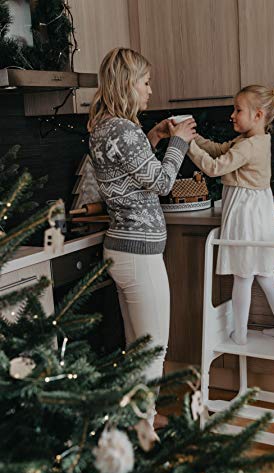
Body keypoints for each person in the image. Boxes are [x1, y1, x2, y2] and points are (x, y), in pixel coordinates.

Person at [87, 48, 196, 419]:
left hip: (119, 250)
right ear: (127, 84)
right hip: (140, 255)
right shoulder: (123, 128)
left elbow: (129, 173)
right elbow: (162, 183)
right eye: (145, 83)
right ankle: (145, 436)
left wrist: (153, 134)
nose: (150, 90)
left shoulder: (102, 127)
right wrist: (179, 139)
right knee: (153, 352)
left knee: (137, 350)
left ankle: (135, 426)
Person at [187, 84, 274, 345]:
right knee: (264, 273)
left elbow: (213, 167)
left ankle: (241, 334)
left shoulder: (248, 146)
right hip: (255, 211)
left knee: (243, 274)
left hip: (246, 212)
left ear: (258, 115)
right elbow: (218, 149)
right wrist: (194, 138)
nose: (232, 115)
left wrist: (186, 144)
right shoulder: (250, 141)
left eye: (238, 110)